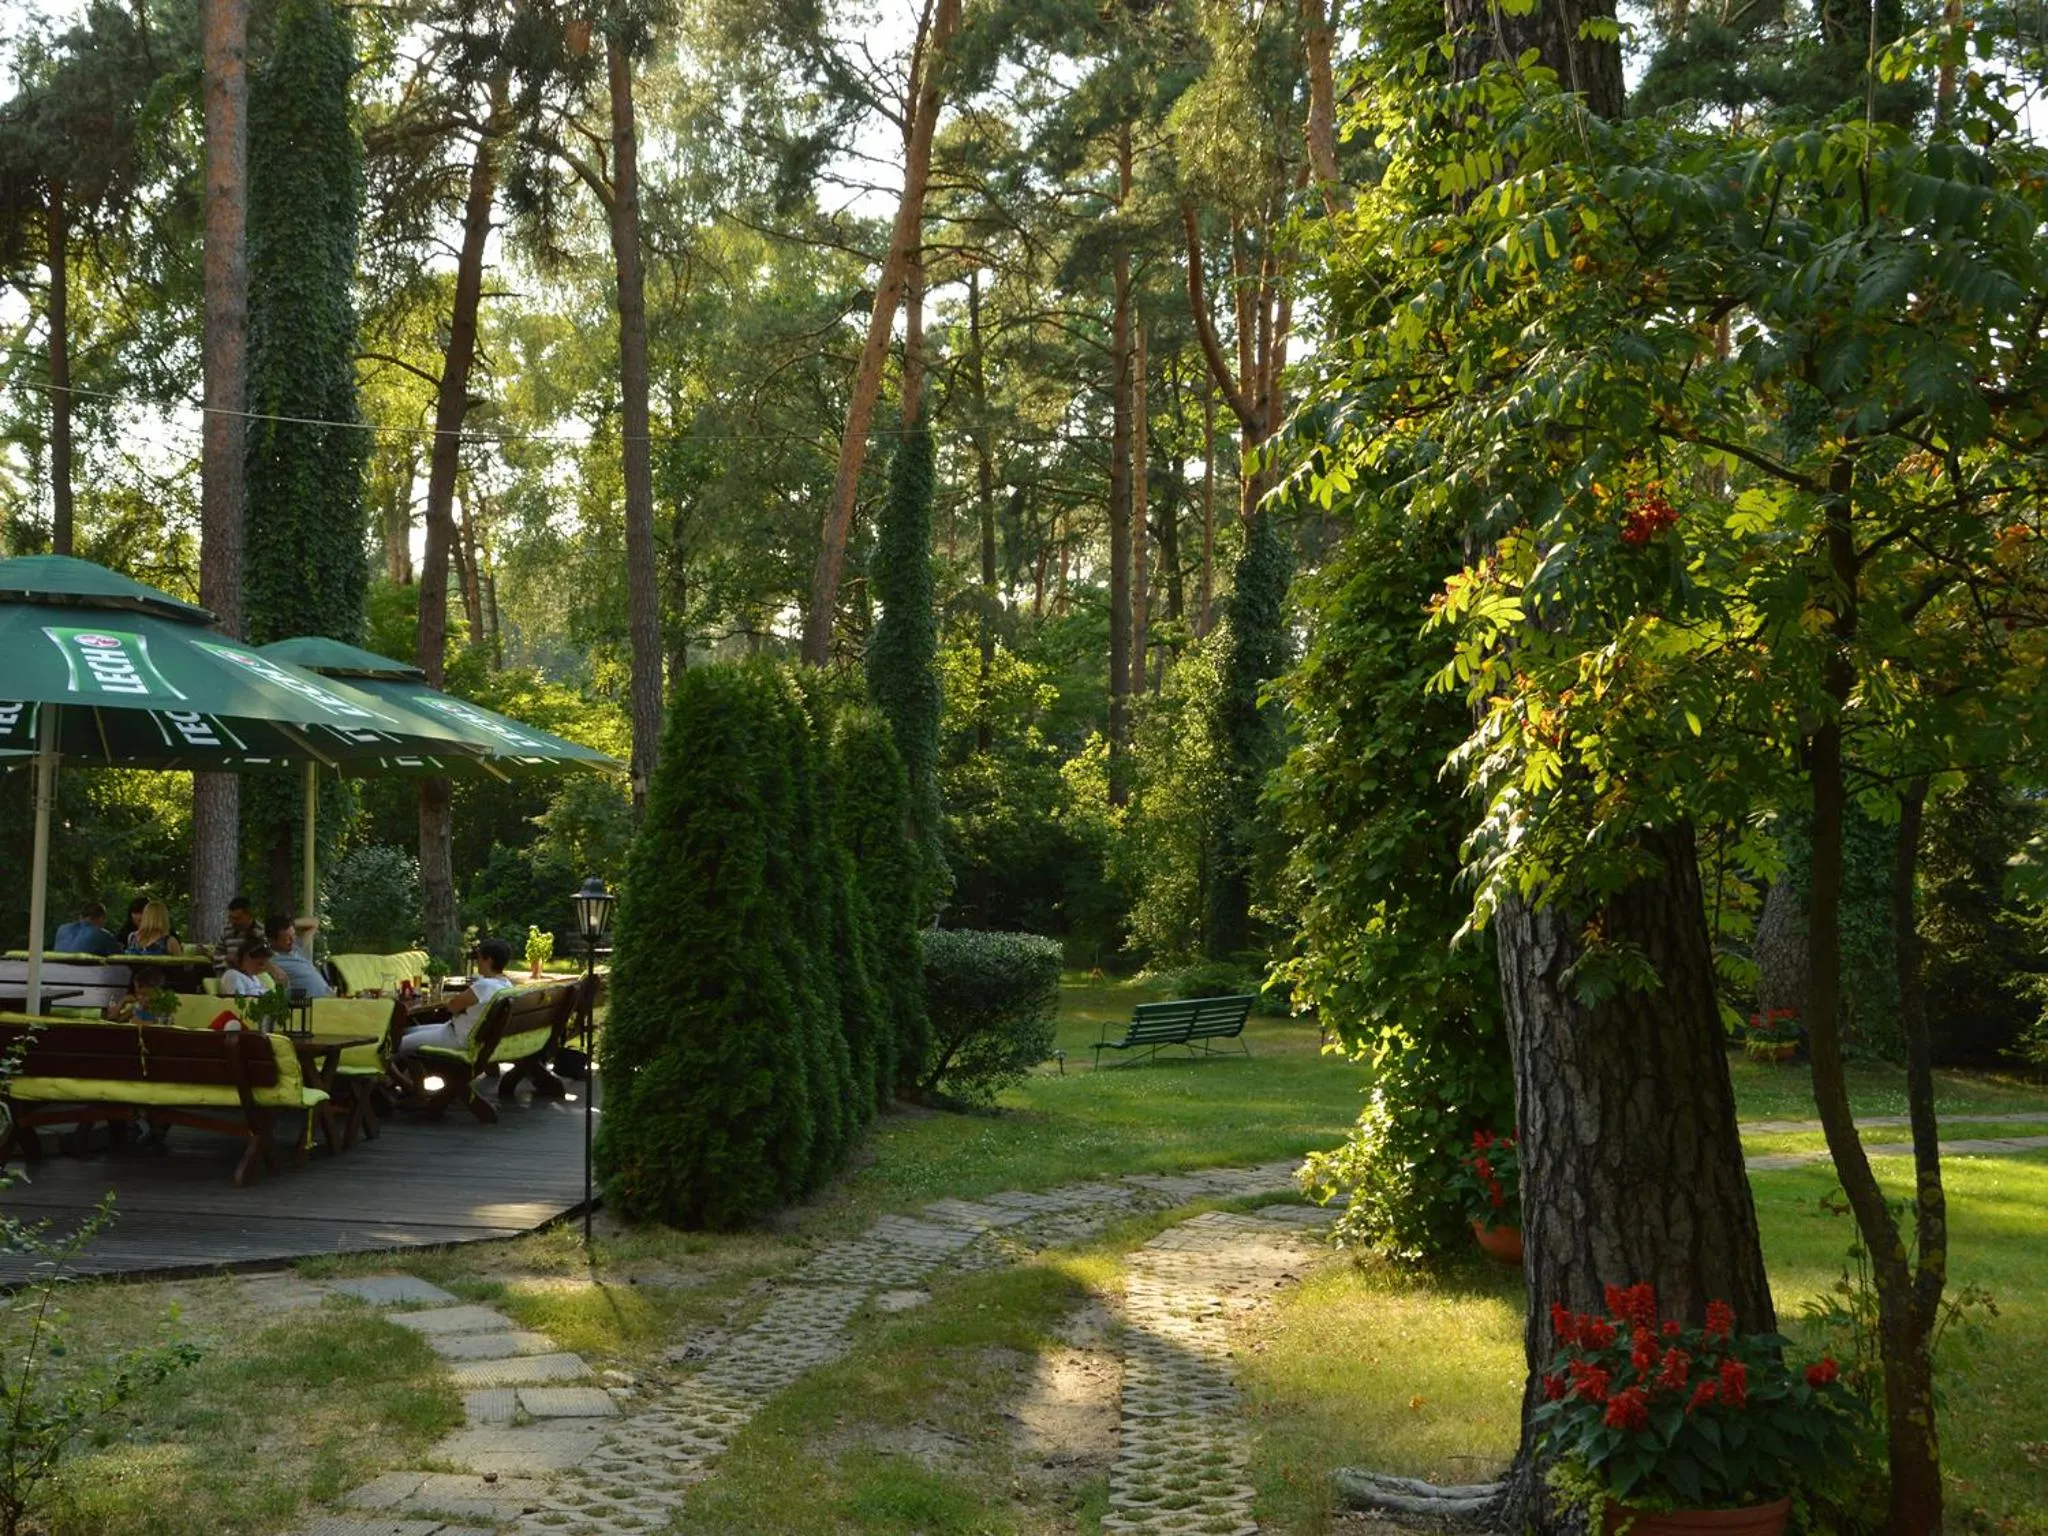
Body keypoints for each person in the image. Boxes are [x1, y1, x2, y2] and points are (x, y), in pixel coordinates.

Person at [398, 937, 513, 1057]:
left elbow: (452, 1007)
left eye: (478, 957)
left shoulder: (484, 986)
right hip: (466, 1034)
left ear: (488, 960)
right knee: (407, 1031)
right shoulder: (506, 984)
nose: (476, 961)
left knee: (400, 1043)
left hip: (458, 1038)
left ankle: (395, 1072)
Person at [262, 913, 331, 999]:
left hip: (328, 998)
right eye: (287, 938)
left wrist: (290, 923)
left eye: (293, 935)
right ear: (272, 941)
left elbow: (314, 923)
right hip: (309, 1006)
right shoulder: (270, 959)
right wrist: (270, 966)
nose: (292, 940)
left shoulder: (296, 947)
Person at [54, 901, 119, 956]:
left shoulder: (62, 929)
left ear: (81, 916)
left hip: (54, 969)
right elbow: (119, 956)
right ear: (101, 918)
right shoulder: (102, 934)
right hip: (81, 970)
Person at [219, 896, 259, 967]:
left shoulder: (261, 932)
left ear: (249, 915)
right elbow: (217, 956)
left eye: (237, 919)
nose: (232, 922)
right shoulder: (227, 930)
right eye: (230, 918)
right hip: (228, 973)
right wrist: (226, 958)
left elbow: (266, 961)